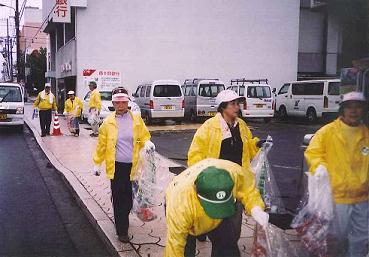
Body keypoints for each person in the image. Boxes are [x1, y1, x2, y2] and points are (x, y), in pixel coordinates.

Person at [187, 89, 266, 241]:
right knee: (213, 220)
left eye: (238, 104)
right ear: (223, 106)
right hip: (216, 182)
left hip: (236, 181)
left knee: (233, 226)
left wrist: (257, 144)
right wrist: (203, 176)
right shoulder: (209, 126)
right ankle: (205, 232)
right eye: (233, 104)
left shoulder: (241, 125)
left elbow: (247, 145)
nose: (237, 107)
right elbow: (195, 153)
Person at [305, 92, 369, 257]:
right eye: (349, 107)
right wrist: (319, 166)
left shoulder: (366, 134)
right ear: (342, 110)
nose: (354, 111)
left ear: (363, 110)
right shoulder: (328, 132)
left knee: (361, 240)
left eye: (358, 107)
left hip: (363, 198)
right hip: (337, 197)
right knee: (336, 239)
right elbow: (314, 152)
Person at [165, 158, 269, 257]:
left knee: (228, 248)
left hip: (219, 216)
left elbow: (247, 187)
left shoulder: (233, 172)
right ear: (196, 192)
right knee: (186, 250)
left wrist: (256, 208)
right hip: (188, 212)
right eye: (214, 208)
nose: (217, 214)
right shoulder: (179, 205)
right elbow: (174, 246)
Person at [93, 87, 156, 243]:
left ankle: (123, 216)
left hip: (134, 166)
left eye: (123, 101)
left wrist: (147, 142)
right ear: (113, 103)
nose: (120, 105)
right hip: (116, 167)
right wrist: (97, 163)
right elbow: (102, 145)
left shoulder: (136, 120)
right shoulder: (107, 123)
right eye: (117, 102)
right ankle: (122, 230)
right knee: (119, 198)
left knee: (128, 199)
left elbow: (144, 136)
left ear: (127, 102)